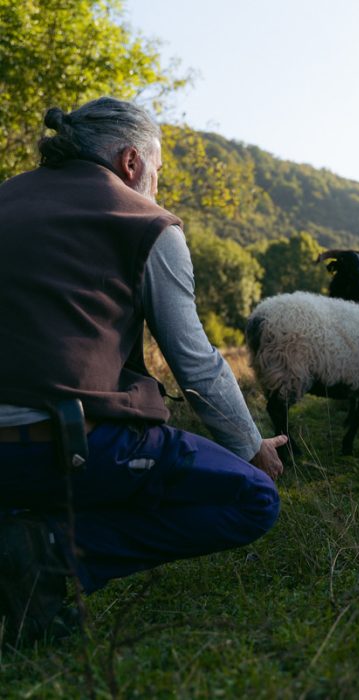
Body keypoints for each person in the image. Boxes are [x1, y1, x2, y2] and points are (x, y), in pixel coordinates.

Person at [0, 97, 288, 646]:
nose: (157, 182)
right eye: (157, 170)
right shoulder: (146, 223)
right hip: (60, 447)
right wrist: (253, 447)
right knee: (252, 499)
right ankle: (52, 553)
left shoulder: (4, 198)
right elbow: (196, 365)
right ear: (133, 162)